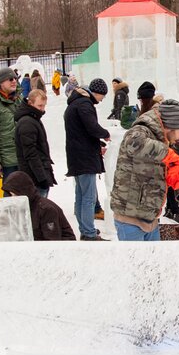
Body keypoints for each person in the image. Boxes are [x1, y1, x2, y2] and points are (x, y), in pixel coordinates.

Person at [111, 101, 179, 241]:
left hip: (150, 218)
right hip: (130, 219)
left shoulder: (160, 138)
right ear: (171, 126)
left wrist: (174, 180)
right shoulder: (142, 130)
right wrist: (168, 154)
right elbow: (132, 143)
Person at [65, 78, 112, 241]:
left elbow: (82, 133)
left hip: (76, 156)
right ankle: (88, 233)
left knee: (81, 195)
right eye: (103, 96)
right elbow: (91, 127)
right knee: (89, 197)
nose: (102, 99)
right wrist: (106, 134)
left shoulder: (75, 103)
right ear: (98, 92)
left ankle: (85, 229)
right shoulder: (84, 104)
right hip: (84, 158)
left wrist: (98, 143)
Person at [3, 172, 76, 241]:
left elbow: (52, 240)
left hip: (62, 247)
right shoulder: (21, 207)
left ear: (24, 192)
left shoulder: (46, 209)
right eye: (11, 195)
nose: (13, 198)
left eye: (15, 195)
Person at [15, 88, 57, 197]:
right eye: (39, 106)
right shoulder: (27, 122)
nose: (42, 109)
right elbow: (30, 153)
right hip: (34, 177)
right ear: (30, 103)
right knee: (39, 206)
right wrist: (41, 178)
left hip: (38, 173)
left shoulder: (33, 118)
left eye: (44, 106)